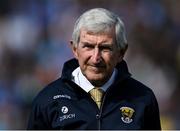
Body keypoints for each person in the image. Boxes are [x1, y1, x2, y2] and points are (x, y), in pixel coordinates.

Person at [27, 8, 161, 130]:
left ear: (121, 52)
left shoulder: (143, 99)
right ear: (74, 49)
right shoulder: (47, 100)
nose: (96, 58)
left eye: (105, 48)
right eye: (88, 46)